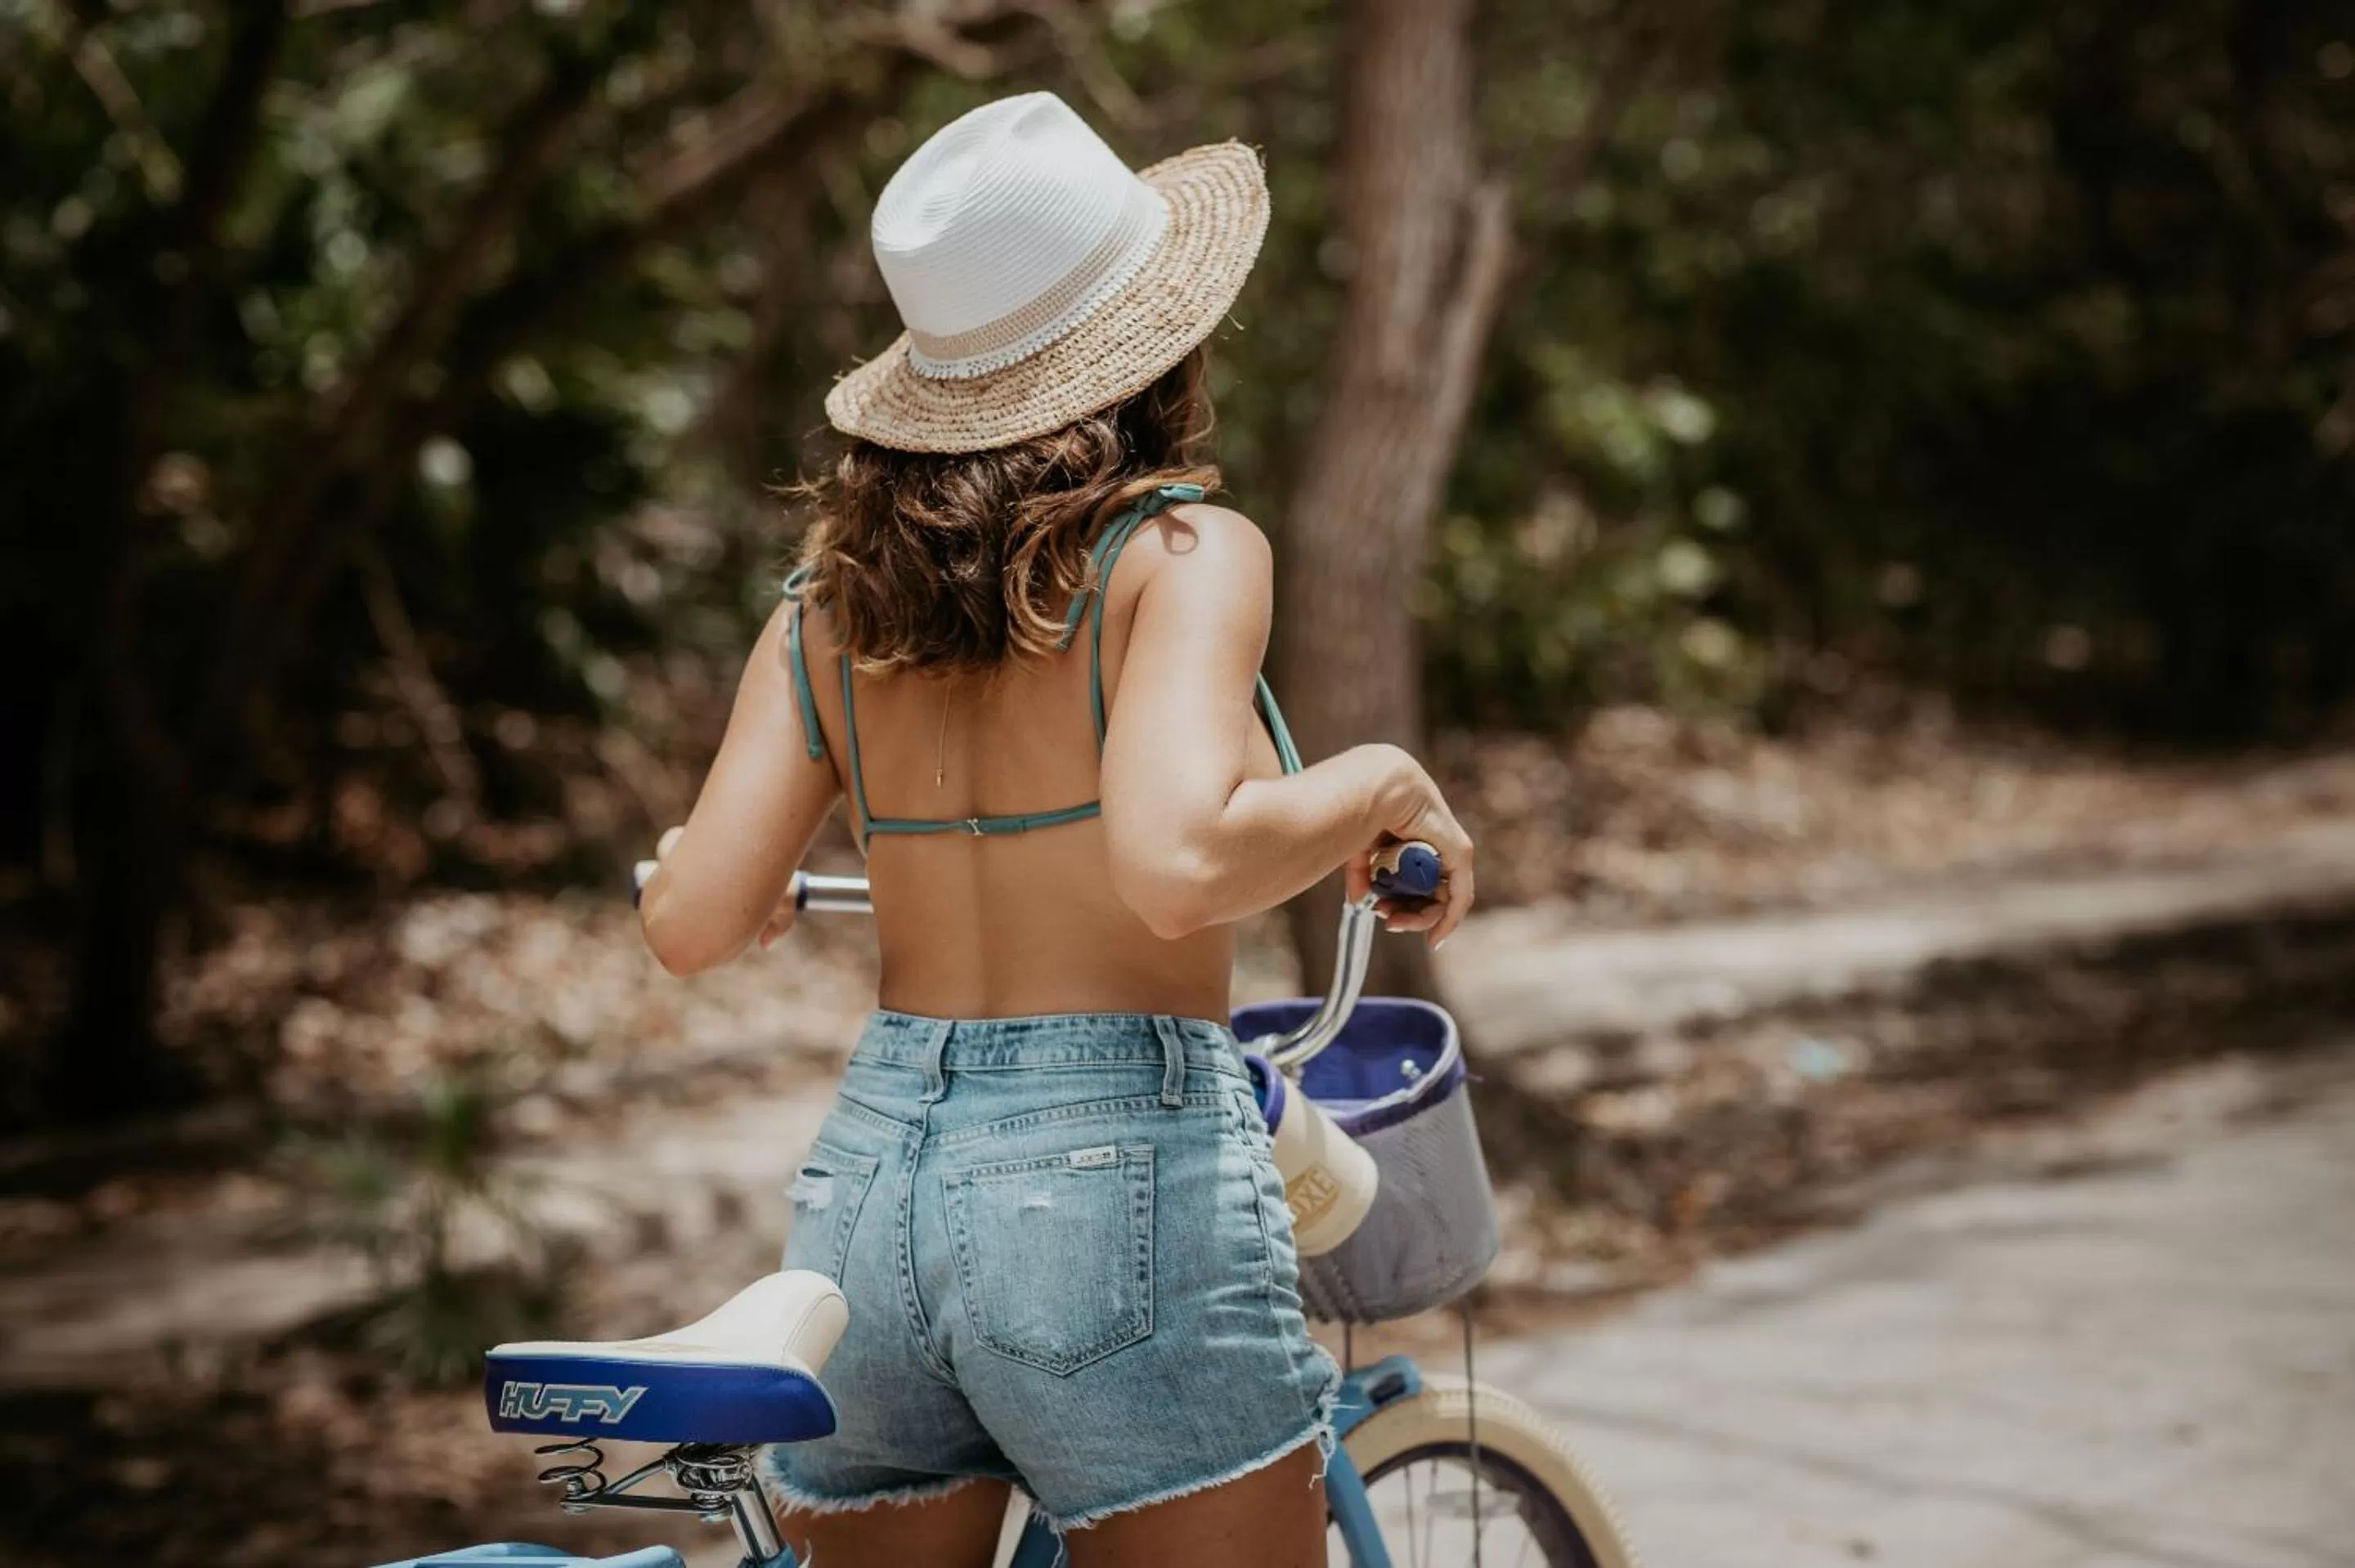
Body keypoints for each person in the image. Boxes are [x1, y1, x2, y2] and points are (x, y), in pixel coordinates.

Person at [635, 92, 1474, 1568]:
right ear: (1160, 338)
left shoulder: (830, 606)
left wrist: (752, 884)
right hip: (1113, 1177)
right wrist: (1388, 779)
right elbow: (1181, 863)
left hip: (871, 1185)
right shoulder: (1181, 554)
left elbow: (692, 920)